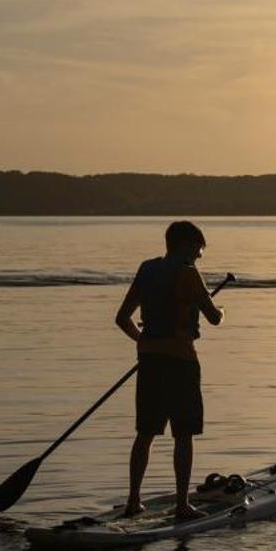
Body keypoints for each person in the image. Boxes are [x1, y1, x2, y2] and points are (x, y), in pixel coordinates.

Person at [115, 221, 224, 520]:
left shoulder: (147, 269)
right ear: (187, 245)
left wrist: (146, 343)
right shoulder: (188, 273)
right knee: (183, 434)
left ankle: (133, 500)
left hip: (149, 361)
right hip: (181, 362)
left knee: (145, 433)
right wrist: (222, 310)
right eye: (199, 249)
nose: (200, 256)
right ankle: (181, 506)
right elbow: (214, 318)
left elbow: (122, 318)